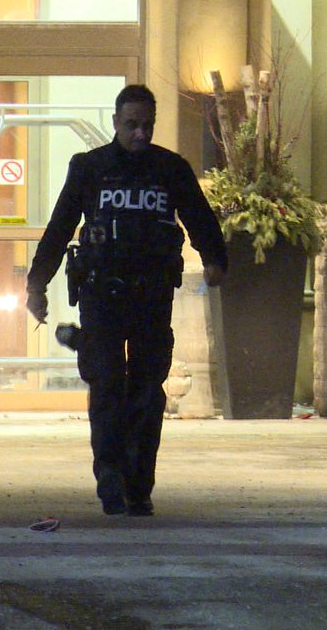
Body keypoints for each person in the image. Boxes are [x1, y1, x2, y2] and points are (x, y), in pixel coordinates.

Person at [26, 84, 227, 517]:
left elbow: (200, 218)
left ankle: (139, 487)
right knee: (107, 386)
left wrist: (215, 260)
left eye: (147, 125)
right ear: (115, 122)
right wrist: (37, 285)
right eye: (132, 124)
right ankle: (110, 476)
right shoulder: (90, 168)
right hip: (102, 294)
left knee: (147, 393)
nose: (140, 133)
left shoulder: (170, 169)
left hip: (152, 296)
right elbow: (60, 227)